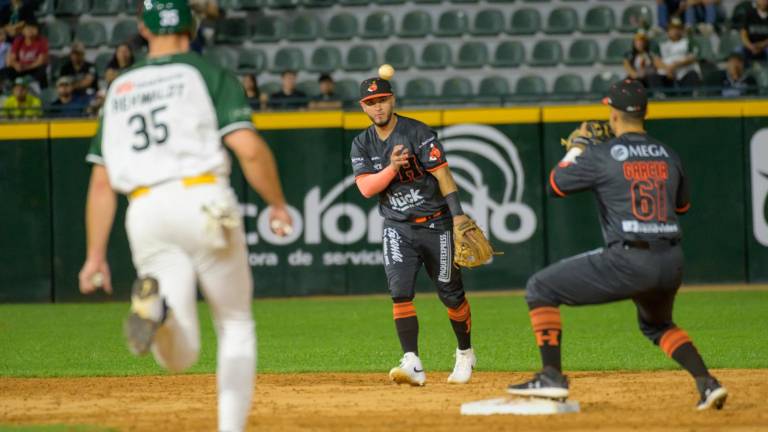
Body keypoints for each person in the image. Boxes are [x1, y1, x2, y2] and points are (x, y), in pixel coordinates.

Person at [77, 3, 292, 432]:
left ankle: (160, 311)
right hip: (202, 199)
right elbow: (248, 149)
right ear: (191, 26)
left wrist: (95, 255)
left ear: (142, 28)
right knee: (234, 323)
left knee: (179, 356)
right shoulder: (207, 74)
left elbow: (101, 183)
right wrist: (277, 203)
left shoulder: (119, 87)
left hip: (145, 210)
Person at [507, 79, 728, 411]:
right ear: (645, 113)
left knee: (540, 288)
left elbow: (556, 183)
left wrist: (578, 147)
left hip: (630, 258)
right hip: (671, 261)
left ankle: (551, 376)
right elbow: (682, 207)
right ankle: (707, 383)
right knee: (657, 325)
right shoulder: (668, 154)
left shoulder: (602, 155)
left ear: (612, 114)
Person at [349, 77, 477, 386]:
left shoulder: (417, 132)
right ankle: (412, 361)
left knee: (451, 295)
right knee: (400, 293)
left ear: (392, 100)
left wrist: (458, 216)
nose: (377, 107)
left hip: (436, 223)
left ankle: (464, 352)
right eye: (370, 102)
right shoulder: (362, 143)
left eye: (382, 100)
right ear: (363, 107)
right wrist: (392, 168)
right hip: (398, 227)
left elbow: (443, 174)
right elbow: (366, 188)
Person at [650, 18, 701, 95]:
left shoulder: (688, 41)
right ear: (668, 31)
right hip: (666, 73)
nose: (675, 31)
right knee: (653, 76)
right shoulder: (661, 43)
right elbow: (656, 60)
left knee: (693, 75)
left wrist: (676, 65)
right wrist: (668, 69)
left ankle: (689, 96)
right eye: (672, 29)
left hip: (684, 72)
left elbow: (693, 57)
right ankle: (660, 96)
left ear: (681, 30)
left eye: (678, 29)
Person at [1, 20, 47, 88]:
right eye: (28, 29)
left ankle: (42, 90)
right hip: (21, 67)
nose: (30, 31)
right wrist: (16, 65)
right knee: (4, 71)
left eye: (33, 28)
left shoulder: (42, 41)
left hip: (33, 68)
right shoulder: (18, 40)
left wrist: (26, 67)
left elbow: (40, 61)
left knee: (42, 70)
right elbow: (12, 58)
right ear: (23, 31)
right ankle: (10, 88)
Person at [740, 0, 768, 65]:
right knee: (736, 53)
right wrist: (750, 46)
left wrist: (761, 45)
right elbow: (743, 33)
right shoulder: (749, 13)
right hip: (750, 45)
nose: (764, 1)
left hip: (765, 46)